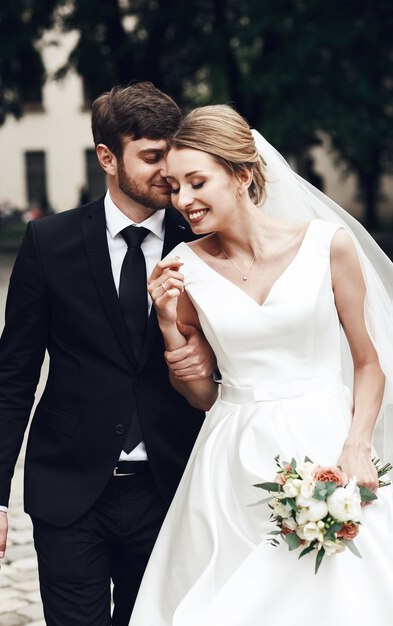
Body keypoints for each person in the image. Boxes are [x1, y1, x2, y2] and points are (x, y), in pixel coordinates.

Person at [129, 104, 393, 625]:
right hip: (232, 461)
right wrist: (165, 321)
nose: (183, 200)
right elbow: (201, 396)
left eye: (197, 182)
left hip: (328, 446)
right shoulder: (183, 272)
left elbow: (368, 364)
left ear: (243, 175)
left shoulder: (327, 247)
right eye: (175, 186)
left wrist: (357, 446)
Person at [0, 83, 216, 626]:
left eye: (171, 155)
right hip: (68, 490)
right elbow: (13, 376)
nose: (167, 173)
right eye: (151, 158)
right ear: (107, 158)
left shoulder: (203, 242)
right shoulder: (47, 242)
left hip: (170, 488)